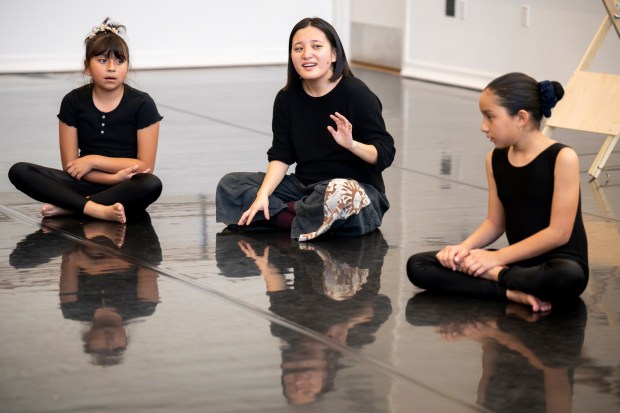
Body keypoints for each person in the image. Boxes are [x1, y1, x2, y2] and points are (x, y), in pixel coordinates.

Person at [406, 72, 588, 312]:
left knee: (566, 277)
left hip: (556, 264)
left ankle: (497, 278)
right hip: (515, 264)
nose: (483, 126)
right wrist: (464, 249)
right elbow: (494, 223)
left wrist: (495, 260)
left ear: (521, 117)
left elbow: (559, 233)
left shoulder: (563, 157)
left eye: (490, 117)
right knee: (418, 265)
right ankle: (510, 291)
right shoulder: (494, 159)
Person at [216, 17, 395, 241]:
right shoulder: (286, 98)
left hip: (354, 191)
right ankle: (302, 219)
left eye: (316, 46)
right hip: (304, 189)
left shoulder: (356, 93)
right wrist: (263, 195)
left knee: (338, 193)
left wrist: (352, 144)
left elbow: (386, 153)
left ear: (334, 55)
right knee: (231, 184)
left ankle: (281, 216)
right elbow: (281, 155)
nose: (306, 54)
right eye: (298, 48)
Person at [8, 18, 163, 224]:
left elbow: (143, 167)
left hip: (128, 186)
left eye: (119, 61)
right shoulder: (73, 101)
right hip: (86, 180)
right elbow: (71, 167)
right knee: (19, 171)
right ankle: (96, 209)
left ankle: (73, 207)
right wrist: (111, 178)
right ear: (87, 67)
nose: (111, 68)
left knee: (151, 184)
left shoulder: (142, 104)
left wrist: (93, 161)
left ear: (127, 66)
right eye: (102, 60)